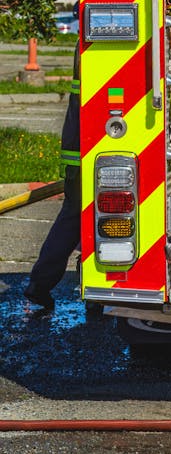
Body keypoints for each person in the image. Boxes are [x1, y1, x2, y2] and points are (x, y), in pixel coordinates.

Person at [23, 40, 80, 310]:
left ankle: (40, 284)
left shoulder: (85, 41)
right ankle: (41, 283)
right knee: (78, 218)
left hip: (81, 149)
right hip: (87, 147)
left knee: (75, 219)